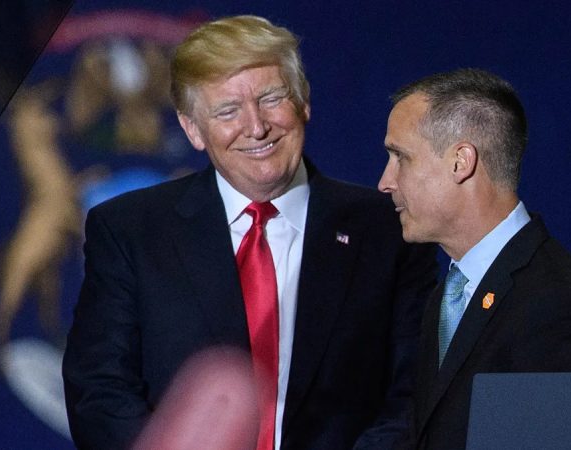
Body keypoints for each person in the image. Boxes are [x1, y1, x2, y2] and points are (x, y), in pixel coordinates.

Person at [62, 15, 438, 450]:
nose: (257, 127)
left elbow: (414, 393)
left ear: (304, 102)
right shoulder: (129, 230)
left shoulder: (387, 229)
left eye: (271, 99)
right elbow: (100, 391)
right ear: (192, 129)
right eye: (228, 111)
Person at [377, 68, 571, 450]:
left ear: (461, 162)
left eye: (401, 158)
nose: (386, 182)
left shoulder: (563, 305)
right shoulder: (447, 295)